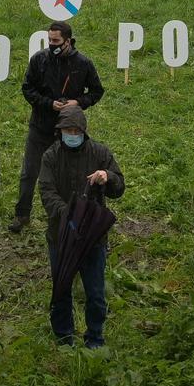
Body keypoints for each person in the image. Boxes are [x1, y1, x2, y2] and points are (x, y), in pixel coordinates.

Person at [38, 104, 123, 347]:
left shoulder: (99, 153)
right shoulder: (51, 156)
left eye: (76, 130)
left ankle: (95, 337)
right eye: (67, 129)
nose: (72, 134)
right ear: (60, 131)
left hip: (93, 237)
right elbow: (46, 191)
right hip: (61, 235)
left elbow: (120, 186)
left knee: (95, 292)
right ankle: (64, 336)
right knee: (61, 287)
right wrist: (69, 214)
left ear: (84, 131)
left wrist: (108, 177)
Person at [11, 20, 106, 232]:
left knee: (71, 175)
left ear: (68, 41)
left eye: (56, 41)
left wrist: (78, 102)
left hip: (69, 130)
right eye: (49, 40)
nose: (52, 44)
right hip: (41, 126)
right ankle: (22, 214)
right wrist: (48, 103)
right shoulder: (39, 60)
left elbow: (97, 91)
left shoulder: (83, 63)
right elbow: (27, 88)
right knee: (29, 172)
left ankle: (74, 214)